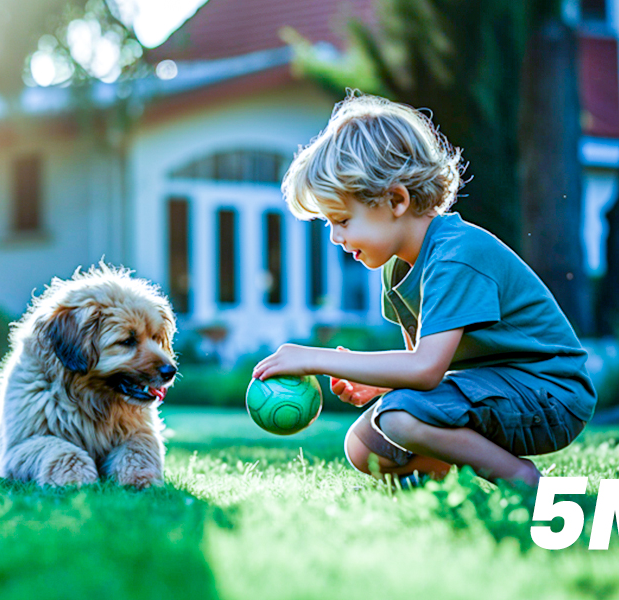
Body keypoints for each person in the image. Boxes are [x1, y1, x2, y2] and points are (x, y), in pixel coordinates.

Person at [252, 94, 594, 488]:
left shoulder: (455, 257)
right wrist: (381, 383)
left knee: (399, 417)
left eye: (343, 220)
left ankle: (522, 478)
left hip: (549, 394)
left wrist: (317, 359)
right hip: (496, 388)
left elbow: (426, 370)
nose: (335, 237)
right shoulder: (398, 268)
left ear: (396, 199)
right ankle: (456, 484)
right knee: (364, 446)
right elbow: (424, 366)